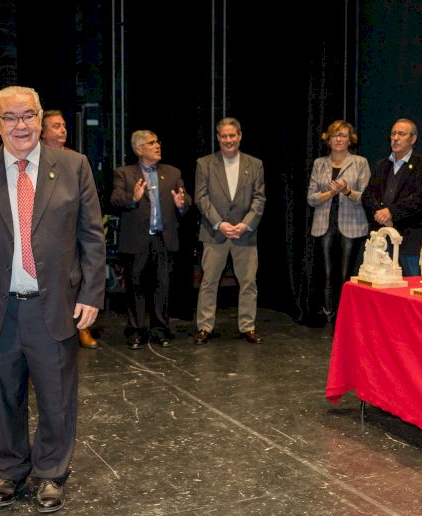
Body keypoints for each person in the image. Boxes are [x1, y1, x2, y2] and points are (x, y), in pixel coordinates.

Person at [0, 86, 105, 513]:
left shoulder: (73, 167)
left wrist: (92, 293)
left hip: (53, 305)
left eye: (28, 116)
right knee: (4, 397)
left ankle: (52, 472)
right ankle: (11, 470)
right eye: (10, 117)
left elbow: (92, 237)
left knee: (57, 397)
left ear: (40, 119)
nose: (20, 125)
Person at [111, 129, 192, 349]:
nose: (157, 146)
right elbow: (115, 199)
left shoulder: (172, 173)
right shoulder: (124, 173)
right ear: (139, 149)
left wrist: (182, 204)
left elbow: (186, 200)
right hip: (137, 240)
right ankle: (136, 331)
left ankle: (160, 330)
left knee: (162, 286)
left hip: (163, 239)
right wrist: (133, 197)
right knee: (135, 286)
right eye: (151, 143)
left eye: (157, 142)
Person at [194, 117, 266, 344]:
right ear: (218, 138)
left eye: (232, 135)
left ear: (240, 136)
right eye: (223, 136)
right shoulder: (204, 164)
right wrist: (219, 223)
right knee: (209, 282)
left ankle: (247, 326)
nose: (228, 140)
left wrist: (246, 224)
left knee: (248, 283)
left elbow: (259, 198)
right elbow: (201, 198)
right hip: (215, 232)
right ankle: (205, 327)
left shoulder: (255, 164)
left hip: (245, 233)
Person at [40, 109, 100, 350]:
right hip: (46, 240)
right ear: (42, 132)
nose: (62, 130)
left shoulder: (76, 161)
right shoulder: (34, 162)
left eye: (64, 125)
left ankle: (82, 327)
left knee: (75, 280)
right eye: (56, 126)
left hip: (73, 234)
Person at [307, 120, 370, 318]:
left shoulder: (360, 162)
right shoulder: (319, 163)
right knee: (326, 272)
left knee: (345, 273)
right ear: (328, 140)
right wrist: (331, 193)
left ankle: (345, 313)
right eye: (335, 135)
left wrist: (347, 191)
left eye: (343, 135)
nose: (339, 139)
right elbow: (311, 198)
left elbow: (366, 197)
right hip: (324, 224)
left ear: (350, 140)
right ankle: (329, 311)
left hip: (351, 224)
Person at [361, 119, 422, 275]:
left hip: (410, 241)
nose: (395, 138)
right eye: (393, 134)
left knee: (412, 285)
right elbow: (367, 195)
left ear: (413, 139)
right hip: (382, 240)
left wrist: (391, 212)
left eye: (401, 134)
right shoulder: (381, 165)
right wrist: (380, 214)